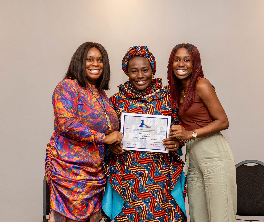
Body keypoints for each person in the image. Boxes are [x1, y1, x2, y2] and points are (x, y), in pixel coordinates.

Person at [102, 46, 187, 222]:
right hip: (128, 175)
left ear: (152, 70)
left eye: (145, 70)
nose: (140, 76)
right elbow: (106, 132)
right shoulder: (115, 100)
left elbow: (180, 127)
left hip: (160, 174)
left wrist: (177, 142)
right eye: (134, 71)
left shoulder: (168, 97)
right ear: (127, 72)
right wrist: (111, 144)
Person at [45, 42, 123, 222]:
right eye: (90, 59)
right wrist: (104, 138)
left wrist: (111, 144)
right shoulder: (68, 87)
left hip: (95, 172)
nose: (95, 64)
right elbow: (66, 123)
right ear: (79, 62)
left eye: (99, 60)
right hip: (70, 170)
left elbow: (107, 128)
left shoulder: (100, 93)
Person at [167, 43, 237, 222]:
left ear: (195, 63)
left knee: (220, 215)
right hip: (193, 155)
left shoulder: (201, 84)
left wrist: (190, 134)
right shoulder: (178, 90)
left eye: (186, 60)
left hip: (213, 151)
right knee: (198, 216)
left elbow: (223, 121)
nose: (181, 64)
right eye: (177, 60)